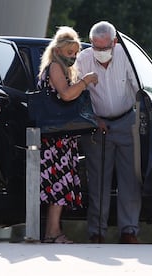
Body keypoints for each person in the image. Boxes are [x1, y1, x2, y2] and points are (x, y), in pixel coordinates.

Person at [76, 21, 141, 244]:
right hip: (96, 126)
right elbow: (77, 95)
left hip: (126, 121)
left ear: (114, 42)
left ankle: (129, 230)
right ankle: (97, 232)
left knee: (129, 180)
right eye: (96, 47)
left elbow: (139, 90)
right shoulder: (83, 59)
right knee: (98, 181)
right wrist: (94, 119)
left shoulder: (126, 55)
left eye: (105, 48)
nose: (100, 52)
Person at [38, 26, 98, 243]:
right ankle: (53, 233)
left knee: (60, 184)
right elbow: (65, 95)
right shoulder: (55, 67)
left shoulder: (56, 67)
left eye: (75, 52)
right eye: (69, 52)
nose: (73, 57)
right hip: (56, 139)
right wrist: (85, 82)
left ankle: (52, 232)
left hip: (60, 137)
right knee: (58, 183)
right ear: (59, 50)